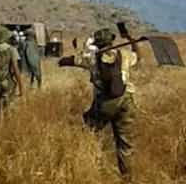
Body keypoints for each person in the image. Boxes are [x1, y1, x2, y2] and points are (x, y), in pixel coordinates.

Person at [59, 28, 138, 178]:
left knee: (88, 130)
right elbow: (138, 56)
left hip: (106, 103)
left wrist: (62, 61)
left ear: (97, 43)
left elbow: (71, 61)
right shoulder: (125, 55)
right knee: (125, 144)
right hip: (126, 101)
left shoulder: (92, 58)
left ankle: (89, 166)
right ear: (111, 41)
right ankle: (127, 177)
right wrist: (131, 38)